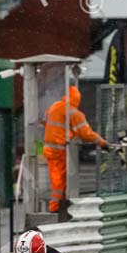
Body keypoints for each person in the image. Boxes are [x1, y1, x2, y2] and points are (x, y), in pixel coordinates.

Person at [43, 85, 111, 213]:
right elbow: (86, 133)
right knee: (59, 180)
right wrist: (102, 142)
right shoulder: (74, 113)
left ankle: (59, 204)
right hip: (61, 150)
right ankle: (56, 207)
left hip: (49, 149)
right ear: (77, 99)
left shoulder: (53, 107)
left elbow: (45, 122)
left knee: (56, 179)